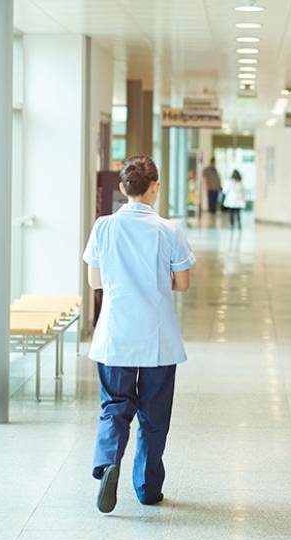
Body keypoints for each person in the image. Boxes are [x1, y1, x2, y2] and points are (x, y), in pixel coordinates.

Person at [82, 155, 196, 513]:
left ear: (122, 189)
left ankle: (108, 464)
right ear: (155, 188)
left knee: (114, 407)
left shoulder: (104, 227)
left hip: (115, 333)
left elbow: (94, 282)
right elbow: (182, 284)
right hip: (157, 338)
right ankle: (147, 487)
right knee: (153, 415)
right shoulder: (169, 230)